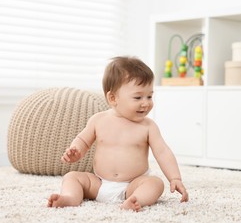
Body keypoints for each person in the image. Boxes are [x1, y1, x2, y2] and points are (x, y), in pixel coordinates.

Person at [47, 56, 189, 211]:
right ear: (113, 98)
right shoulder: (98, 120)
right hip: (99, 183)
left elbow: (163, 152)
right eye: (138, 97)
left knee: (155, 183)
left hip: (132, 185)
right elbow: (83, 140)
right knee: (72, 177)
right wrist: (75, 150)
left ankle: (136, 200)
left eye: (149, 96)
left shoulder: (148, 127)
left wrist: (175, 178)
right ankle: (70, 198)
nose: (146, 103)